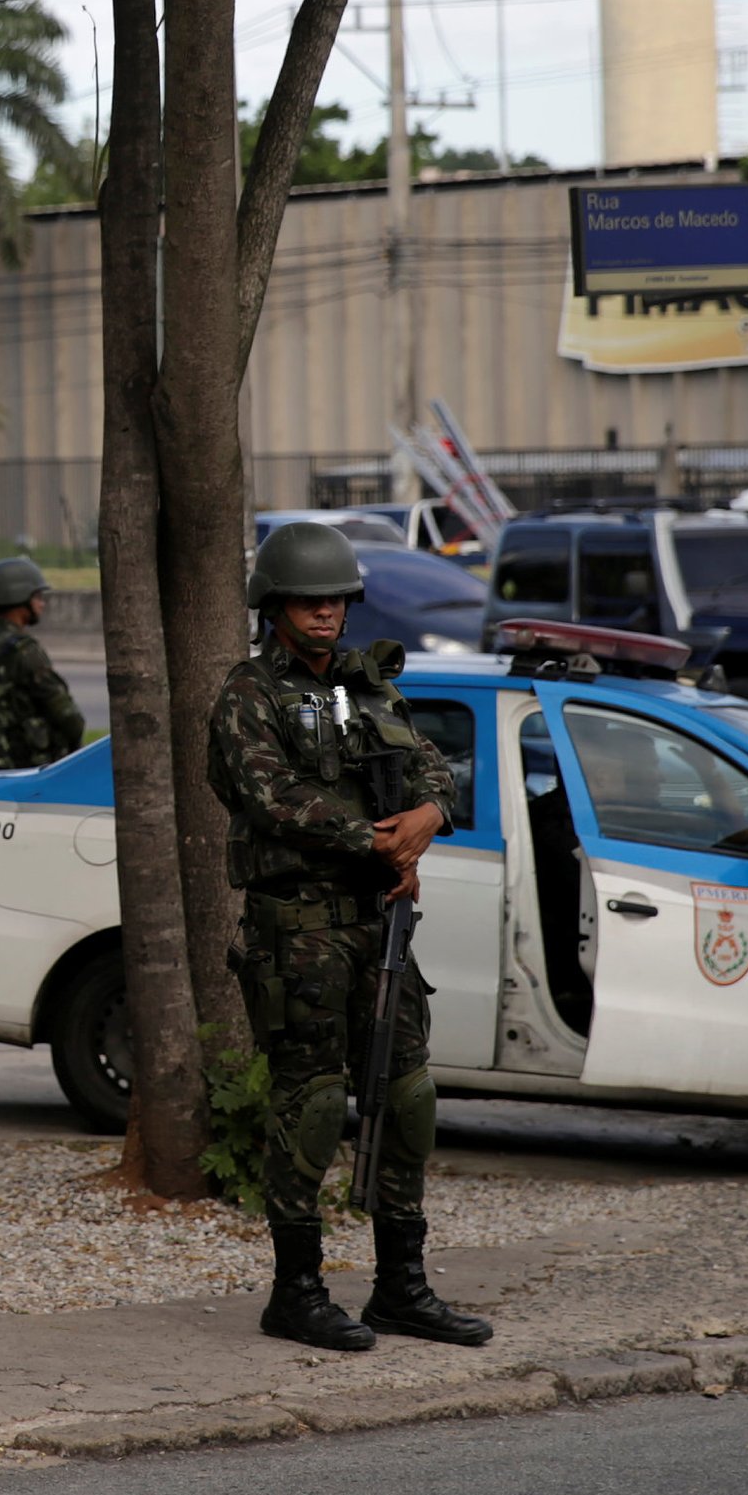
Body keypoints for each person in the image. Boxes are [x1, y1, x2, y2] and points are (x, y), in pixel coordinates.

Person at [208, 520, 495, 1352]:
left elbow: (435, 766)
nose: (327, 611)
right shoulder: (248, 695)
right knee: (312, 1103)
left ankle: (401, 1288)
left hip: (380, 927)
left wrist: (428, 818)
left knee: (407, 1098)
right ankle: (295, 1292)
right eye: (310, 598)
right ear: (276, 605)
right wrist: (377, 841)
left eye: (337, 597)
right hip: (297, 933)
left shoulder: (369, 687)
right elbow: (272, 797)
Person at [0, 556, 84, 772]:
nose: (42, 603)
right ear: (20, 599)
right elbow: (69, 717)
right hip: (30, 774)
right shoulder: (25, 651)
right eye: (38, 597)